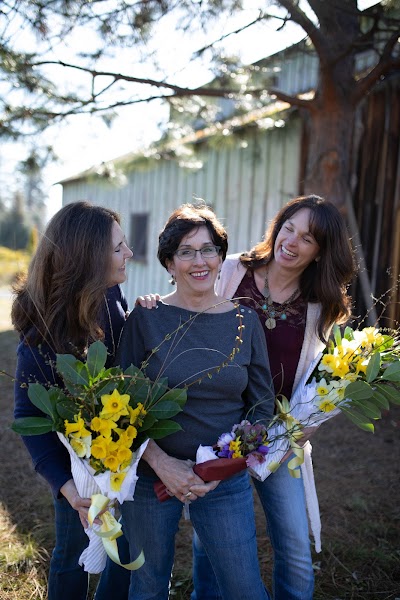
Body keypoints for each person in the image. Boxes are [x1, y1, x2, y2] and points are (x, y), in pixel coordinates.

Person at [191, 194, 356, 600]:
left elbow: (324, 385)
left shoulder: (322, 307)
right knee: (208, 541)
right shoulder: (231, 273)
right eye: (289, 228)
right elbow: (186, 313)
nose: (292, 242)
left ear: (320, 252)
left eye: (308, 238)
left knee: (296, 547)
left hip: (279, 439)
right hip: (220, 428)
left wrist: (298, 434)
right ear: (277, 228)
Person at [116, 203, 276, 600]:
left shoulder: (245, 321)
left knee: (244, 588)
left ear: (222, 257)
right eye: (186, 252)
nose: (199, 261)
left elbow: (261, 406)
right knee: (149, 584)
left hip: (223, 481)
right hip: (152, 478)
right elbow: (118, 405)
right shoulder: (146, 318)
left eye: (208, 249)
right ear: (169, 263)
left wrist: (223, 464)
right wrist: (160, 462)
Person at [12, 201, 133, 600]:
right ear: (88, 259)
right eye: (118, 249)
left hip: (123, 463)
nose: (128, 254)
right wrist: (67, 488)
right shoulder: (42, 335)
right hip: (75, 475)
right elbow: (28, 416)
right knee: (72, 553)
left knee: (126, 549)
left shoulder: (113, 297)